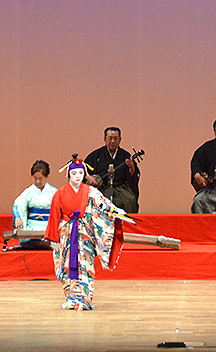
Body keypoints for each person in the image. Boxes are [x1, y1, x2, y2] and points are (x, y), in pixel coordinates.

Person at [44, 154, 126, 310]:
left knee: (85, 265)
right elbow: (54, 216)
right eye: (74, 173)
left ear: (84, 174)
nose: (77, 176)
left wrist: (118, 212)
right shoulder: (60, 193)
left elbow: (104, 205)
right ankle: (70, 297)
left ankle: (85, 299)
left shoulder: (90, 191)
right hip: (67, 233)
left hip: (84, 234)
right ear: (68, 174)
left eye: (80, 173)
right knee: (66, 265)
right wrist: (53, 238)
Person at [84, 127, 141, 213]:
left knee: (130, 201)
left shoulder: (125, 155)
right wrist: (89, 178)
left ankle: (127, 226)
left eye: (115, 138)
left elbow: (133, 177)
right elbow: (84, 170)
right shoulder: (96, 155)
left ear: (120, 140)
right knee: (96, 201)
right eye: (110, 138)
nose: (113, 141)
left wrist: (131, 167)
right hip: (102, 188)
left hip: (120, 189)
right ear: (105, 139)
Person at [12, 160, 56, 249]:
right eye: (35, 178)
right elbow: (19, 204)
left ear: (46, 177)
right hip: (32, 226)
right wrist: (18, 217)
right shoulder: (28, 192)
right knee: (28, 237)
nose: (38, 181)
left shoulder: (54, 192)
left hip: (48, 225)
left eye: (40, 178)